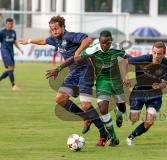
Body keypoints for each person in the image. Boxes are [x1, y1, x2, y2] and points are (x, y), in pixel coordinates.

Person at [19, 16, 110, 146]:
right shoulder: (55, 39)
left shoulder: (70, 36)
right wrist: (28, 40)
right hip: (73, 72)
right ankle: (86, 118)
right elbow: (43, 41)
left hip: (86, 70)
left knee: (85, 105)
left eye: (56, 28)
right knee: (60, 99)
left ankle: (103, 134)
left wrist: (79, 51)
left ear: (62, 27)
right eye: (52, 29)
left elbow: (87, 39)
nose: (54, 31)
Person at [76, 31, 130, 146]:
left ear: (111, 41)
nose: (106, 45)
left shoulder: (117, 48)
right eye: (103, 43)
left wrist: (125, 75)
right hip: (102, 81)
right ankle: (114, 137)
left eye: (108, 43)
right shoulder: (93, 49)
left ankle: (119, 113)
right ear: (99, 42)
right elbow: (78, 58)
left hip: (116, 79)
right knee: (103, 108)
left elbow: (125, 58)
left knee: (122, 107)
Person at [126, 41, 167, 146]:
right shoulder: (143, 59)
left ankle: (131, 137)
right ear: (152, 52)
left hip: (154, 95)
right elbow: (125, 62)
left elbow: (164, 83)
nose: (156, 56)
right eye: (154, 53)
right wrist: (125, 76)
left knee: (150, 121)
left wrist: (159, 86)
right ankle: (131, 116)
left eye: (159, 53)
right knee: (134, 119)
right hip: (139, 91)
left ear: (164, 54)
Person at [0, 18, 23, 91]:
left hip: (11, 52)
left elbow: (14, 42)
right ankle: (13, 86)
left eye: (12, 24)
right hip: (5, 51)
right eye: (9, 24)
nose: (11, 25)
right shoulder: (2, 32)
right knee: (10, 67)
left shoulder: (13, 32)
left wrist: (20, 49)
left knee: (11, 70)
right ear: (6, 24)